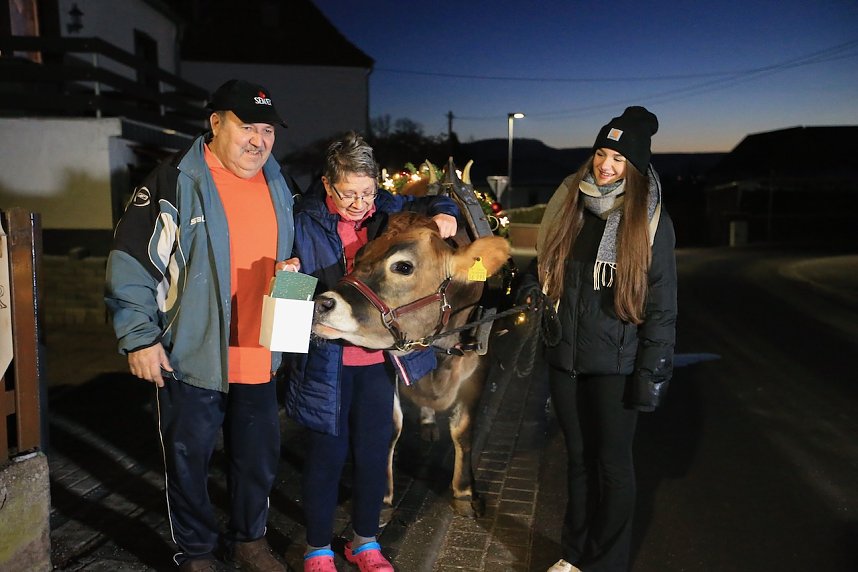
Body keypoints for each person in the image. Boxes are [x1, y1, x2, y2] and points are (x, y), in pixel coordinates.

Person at [105, 79, 299, 572]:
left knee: (256, 461)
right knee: (189, 461)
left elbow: (349, 209)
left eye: (267, 129)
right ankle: (196, 552)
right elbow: (131, 262)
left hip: (260, 351)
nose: (259, 140)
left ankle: (249, 540)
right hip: (191, 354)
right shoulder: (175, 180)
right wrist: (139, 337)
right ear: (215, 123)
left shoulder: (281, 182)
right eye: (246, 127)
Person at [283, 132, 459, 572]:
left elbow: (435, 204)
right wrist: (287, 275)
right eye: (349, 194)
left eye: (368, 191)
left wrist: (444, 213)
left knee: (375, 450)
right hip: (325, 360)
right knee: (327, 454)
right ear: (327, 184)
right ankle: (318, 547)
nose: (361, 203)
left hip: (378, 360)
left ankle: (364, 541)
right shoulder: (300, 220)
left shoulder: (388, 213)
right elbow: (285, 293)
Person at [530, 106, 677, 572]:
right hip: (566, 360)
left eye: (618, 158)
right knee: (577, 462)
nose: (605, 165)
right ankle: (573, 557)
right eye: (601, 152)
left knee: (612, 467)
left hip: (617, 365)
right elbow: (551, 277)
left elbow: (662, 306)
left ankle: (607, 563)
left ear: (634, 166)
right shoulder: (570, 207)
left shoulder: (649, 221)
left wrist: (651, 375)